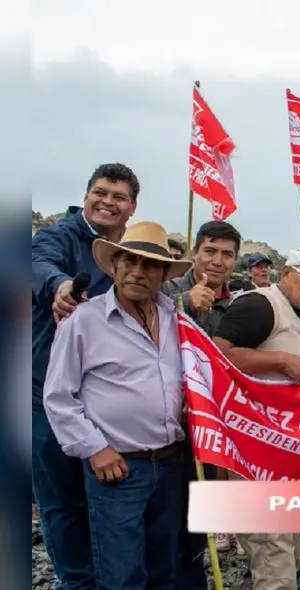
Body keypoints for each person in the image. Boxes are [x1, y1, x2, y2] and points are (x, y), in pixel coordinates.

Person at [43, 221, 190, 589]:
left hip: (170, 462)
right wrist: (95, 449)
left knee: (163, 569)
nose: (137, 272)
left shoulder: (177, 319)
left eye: (150, 265)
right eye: (129, 261)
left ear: (163, 274)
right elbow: (58, 396)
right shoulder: (84, 321)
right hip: (118, 469)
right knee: (120, 575)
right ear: (115, 265)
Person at [31, 162, 139, 588]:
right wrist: (58, 287)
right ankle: (74, 582)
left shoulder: (131, 253)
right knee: (61, 500)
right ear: (87, 194)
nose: (107, 202)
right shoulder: (58, 236)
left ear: (132, 207)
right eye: (101, 192)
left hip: (105, 400)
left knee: (109, 497)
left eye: (118, 197)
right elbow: (38, 264)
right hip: (45, 394)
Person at [212, 246, 300, 589]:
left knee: (289, 554)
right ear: (287, 273)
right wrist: (279, 361)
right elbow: (216, 355)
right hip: (258, 456)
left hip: (292, 459)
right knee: (274, 557)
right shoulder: (260, 304)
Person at [160, 220, 243, 588]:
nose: (217, 261)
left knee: (197, 524)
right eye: (210, 250)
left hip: (206, 427)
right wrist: (184, 305)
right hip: (160, 425)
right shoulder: (166, 289)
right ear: (195, 252)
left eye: (227, 254)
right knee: (163, 521)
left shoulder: (239, 303)